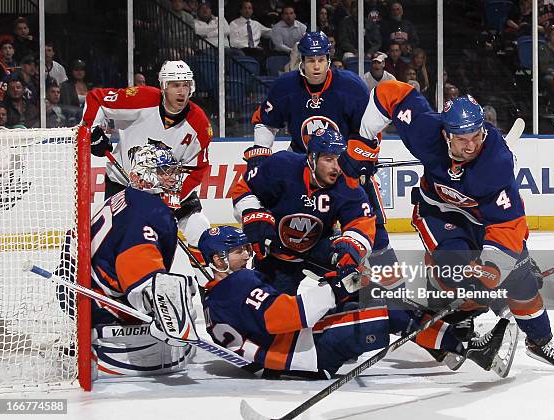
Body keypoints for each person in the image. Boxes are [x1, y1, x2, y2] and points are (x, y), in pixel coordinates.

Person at [346, 81, 554, 370]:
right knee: (456, 272)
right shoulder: (424, 131)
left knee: (521, 281)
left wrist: (494, 267)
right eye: (462, 139)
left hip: (483, 221)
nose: (471, 146)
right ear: (446, 135)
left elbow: (507, 224)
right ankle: (461, 331)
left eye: (476, 136)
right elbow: (390, 93)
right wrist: (366, 142)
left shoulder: (495, 164)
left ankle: (539, 341)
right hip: (439, 215)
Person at [199, 225, 512, 377]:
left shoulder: (217, 295)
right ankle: (468, 348)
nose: (247, 254)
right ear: (217, 259)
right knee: (388, 308)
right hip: (308, 353)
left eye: (244, 247)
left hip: (290, 353)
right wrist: (337, 285)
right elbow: (287, 317)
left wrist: (342, 289)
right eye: (237, 251)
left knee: (371, 297)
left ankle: (450, 345)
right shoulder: (237, 284)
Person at [248, 32, 399, 288]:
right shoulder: (286, 86)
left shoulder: (350, 86)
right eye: (310, 60)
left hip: (345, 168)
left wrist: (362, 158)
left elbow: (369, 129)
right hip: (302, 172)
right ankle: (268, 293)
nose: (316, 65)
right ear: (301, 62)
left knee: (375, 229)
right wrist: (259, 156)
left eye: (320, 59)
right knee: (284, 234)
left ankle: (395, 293)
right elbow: (266, 121)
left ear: (329, 60)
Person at [86, 144, 199, 377]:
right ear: (142, 175)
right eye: (164, 172)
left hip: (85, 287)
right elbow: (135, 264)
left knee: (178, 290)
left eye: (172, 171)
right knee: (181, 297)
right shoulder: (150, 210)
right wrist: (157, 302)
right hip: (101, 301)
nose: (172, 178)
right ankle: (106, 343)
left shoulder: (127, 195)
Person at [81, 60, 213, 249]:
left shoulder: (199, 124)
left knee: (198, 227)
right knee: (121, 242)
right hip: (122, 184)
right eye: (175, 85)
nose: (182, 91)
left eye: (186, 85)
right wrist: (91, 133)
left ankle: (212, 275)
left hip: (167, 189)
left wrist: (171, 197)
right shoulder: (142, 98)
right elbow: (97, 99)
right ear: (164, 87)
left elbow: (195, 169)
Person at [232, 128, 376, 295]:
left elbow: (362, 222)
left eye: (340, 159)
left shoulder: (348, 185)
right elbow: (243, 189)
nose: (336, 167)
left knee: (356, 282)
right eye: (329, 159)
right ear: (311, 158)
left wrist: (351, 248)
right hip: (277, 254)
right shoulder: (281, 166)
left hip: (322, 246)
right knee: (273, 311)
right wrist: (253, 214)